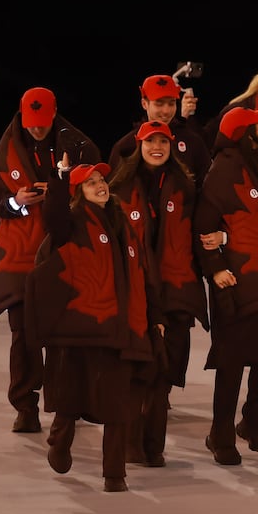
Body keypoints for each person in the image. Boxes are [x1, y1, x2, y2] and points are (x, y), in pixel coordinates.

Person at [27, 158, 158, 493]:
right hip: (82, 329)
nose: (100, 185)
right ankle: (60, 440)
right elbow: (52, 216)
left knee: (117, 403)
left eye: (101, 179)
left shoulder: (123, 223)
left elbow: (141, 273)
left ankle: (114, 474)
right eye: (90, 182)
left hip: (121, 329)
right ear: (78, 194)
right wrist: (60, 176)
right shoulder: (70, 222)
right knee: (72, 397)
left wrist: (153, 318)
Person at [0, 87, 101, 433]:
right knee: (23, 337)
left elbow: (98, 187)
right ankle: (25, 407)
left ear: (54, 115)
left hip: (62, 253)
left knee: (64, 337)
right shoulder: (5, 151)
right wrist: (17, 201)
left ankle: (66, 405)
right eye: (30, 123)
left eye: (42, 123)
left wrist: (64, 190)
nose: (36, 129)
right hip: (18, 254)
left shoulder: (78, 146)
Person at [194, 106, 258, 465]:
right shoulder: (222, 173)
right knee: (232, 361)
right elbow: (204, 228)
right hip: (237, 284)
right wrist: (215, 269)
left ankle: (254, 424)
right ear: (245, 134)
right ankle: (220, 434)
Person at [108, 120, 209, 467]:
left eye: (163, 141)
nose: (157, 147)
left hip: (176, 291)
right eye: (150, 141)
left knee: (164, 375)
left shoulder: (186, 185)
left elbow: (198, 234)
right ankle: (132, 445)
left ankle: (154, 446)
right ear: (139, 145)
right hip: (136, 294)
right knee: (139, 372)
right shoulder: (119, 187)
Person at [109, 74, 210, 186]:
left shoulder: (193, 141)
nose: (166, 111)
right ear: (144, 104)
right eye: (159, 104)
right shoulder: (126, 146)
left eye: (171, 103)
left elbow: (207, 187)